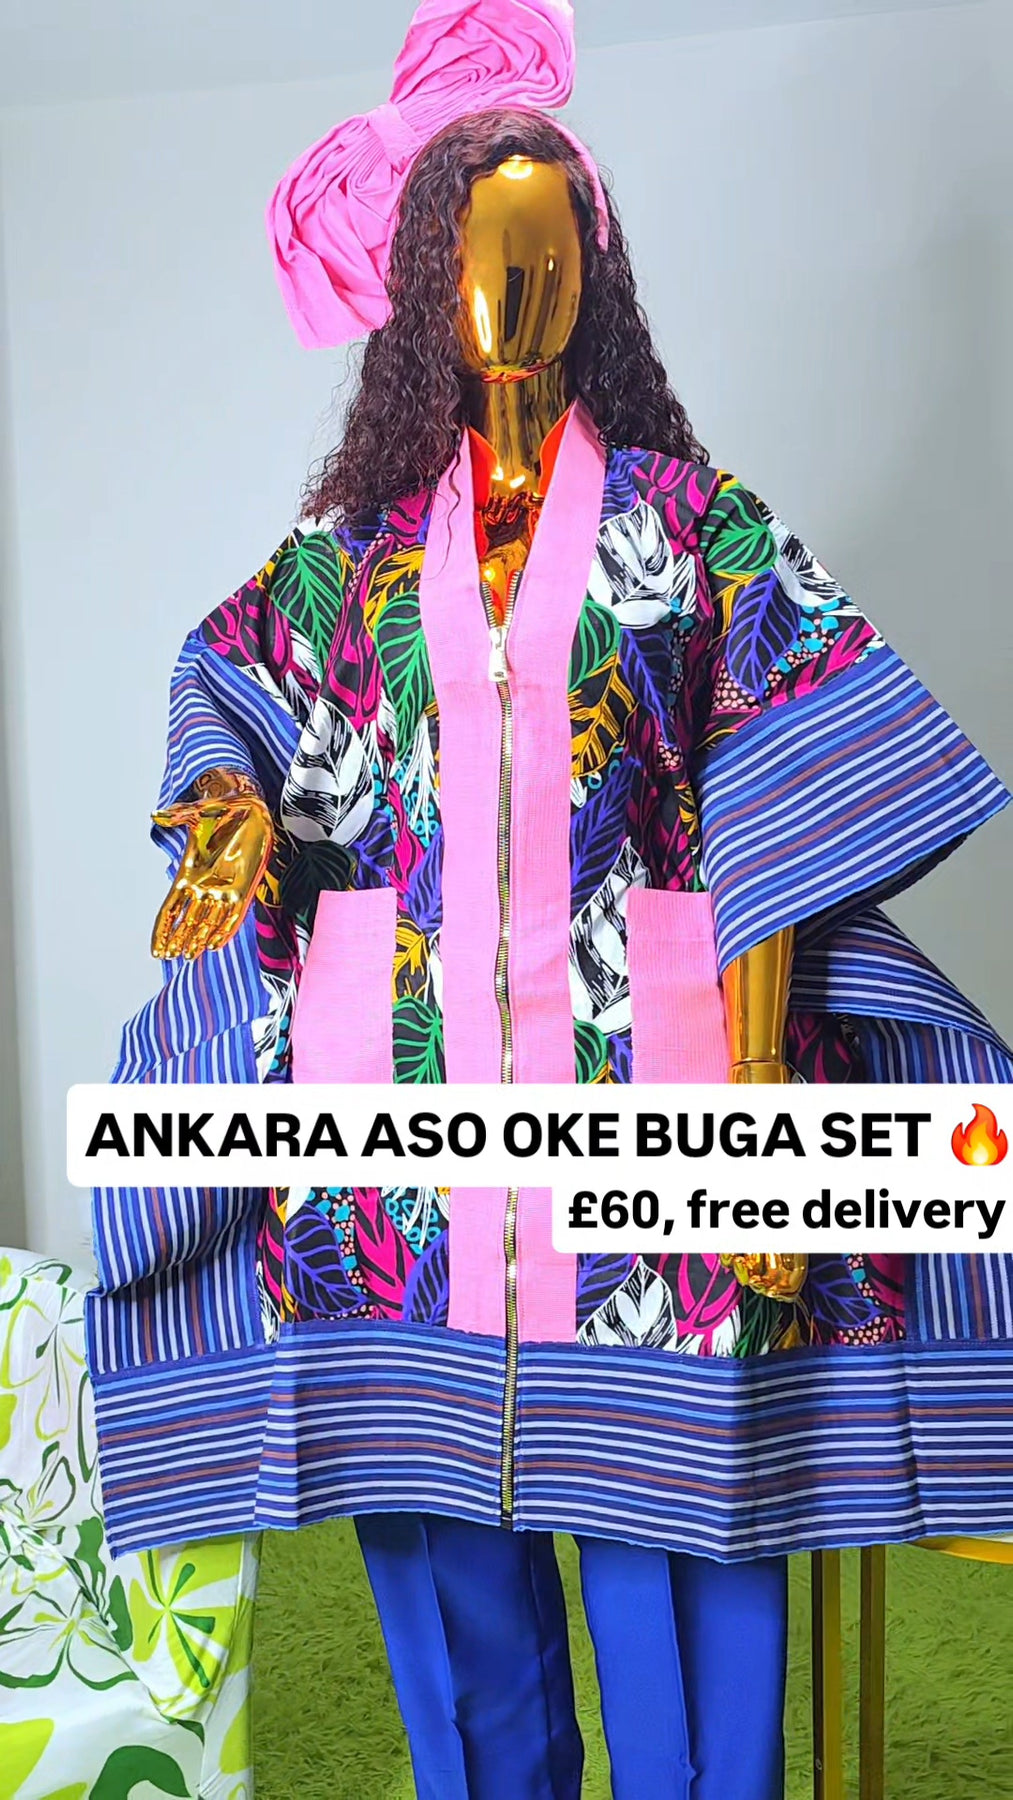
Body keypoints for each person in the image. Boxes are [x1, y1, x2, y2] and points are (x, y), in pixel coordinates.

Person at [88, 4, 1013, 1797]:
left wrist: (761, 1124)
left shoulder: (696, 524)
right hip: (404, 1139)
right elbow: (234, 688)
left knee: (688, 1562)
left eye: (551, 244)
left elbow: (788, 787)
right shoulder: (353, 557)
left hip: (653, 1112)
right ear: (423, 285)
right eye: (480, 249)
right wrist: (226, 815)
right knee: (448, 1590)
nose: (518, 287)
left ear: (596, 267)